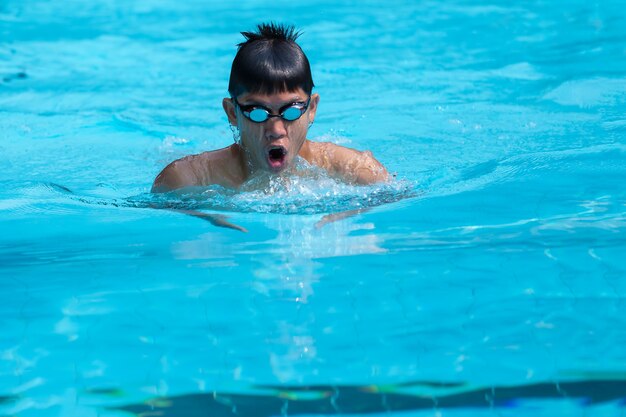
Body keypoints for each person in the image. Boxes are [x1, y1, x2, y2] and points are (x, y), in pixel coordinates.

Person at [152, 23, 388, 193]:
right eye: (258, 112)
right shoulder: (187, 179)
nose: (276, 129)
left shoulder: (356, 170)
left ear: (312, 108)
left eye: (291, 111)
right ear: (233, 113)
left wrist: (344, 214)